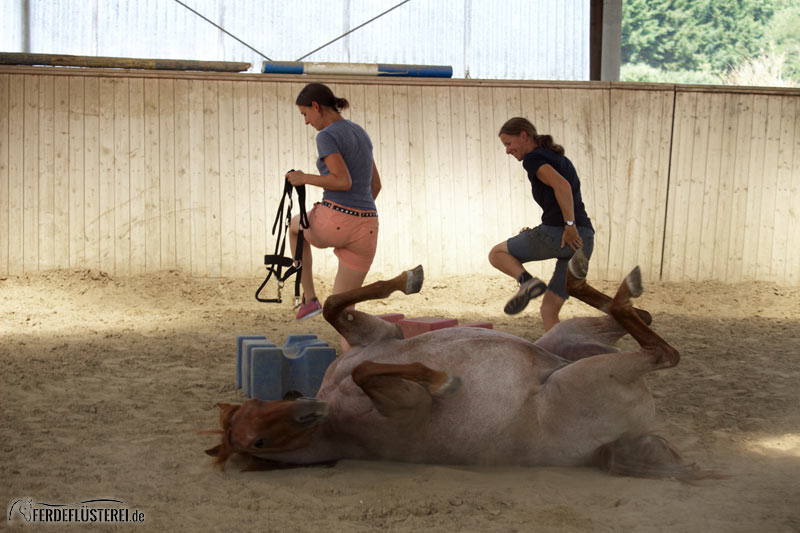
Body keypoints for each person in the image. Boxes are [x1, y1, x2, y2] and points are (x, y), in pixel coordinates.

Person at [285, 82, 382, 331]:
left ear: (316, 107)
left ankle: (309, 298)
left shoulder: (326, 136)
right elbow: (376, 185)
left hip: (336, 219)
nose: (306, 121)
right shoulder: (360, 132)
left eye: (305, 114)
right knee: (344, 315)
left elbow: (342, 181)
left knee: (294, 228)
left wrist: (303, 177)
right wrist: (357, 215)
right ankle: (354, 367)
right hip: (368, 226)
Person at [488, 117, 594, 331]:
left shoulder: (533, 158)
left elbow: (562, 187)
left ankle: (526, 282)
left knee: (497, 254)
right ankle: (559, 355)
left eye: (509, 144)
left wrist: (569, 226)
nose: (508, 151)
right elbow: (563, 194)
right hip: (584, 239)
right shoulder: (557, 157)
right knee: (549, 310)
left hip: (562, 234)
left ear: (524, 136)